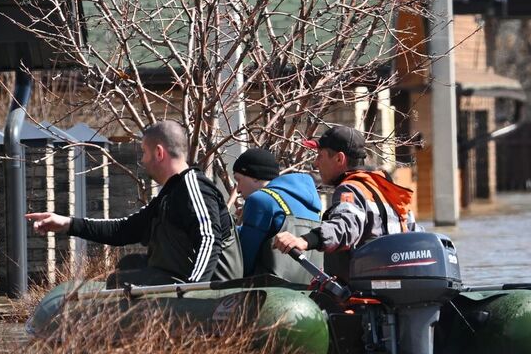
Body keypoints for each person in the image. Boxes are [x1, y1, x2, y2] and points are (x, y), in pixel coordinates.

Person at [26, 120, 240, 285]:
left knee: (121, 279)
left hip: (211, 289)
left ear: (159, 152)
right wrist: (67, 224)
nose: (142, 160)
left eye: (144, 153)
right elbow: (124, 230)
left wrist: (192, 292)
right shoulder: (171, 192)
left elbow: (209, 239)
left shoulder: (194, 187)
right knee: (128, 267)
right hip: (182, 280)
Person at [271, 124, 416, 282]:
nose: (315, 163)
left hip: (362, 297)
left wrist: (305, 240)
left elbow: (346, 226)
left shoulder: (350, 189)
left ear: (339, 159)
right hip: (392, 289)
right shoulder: (387, 191)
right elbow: (413, 234)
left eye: (320, 155)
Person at [229, 146, 324, 284]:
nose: (238, 189)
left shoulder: (260, 200)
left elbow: (242, 262)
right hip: (309, 294)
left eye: (239, 180)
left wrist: (232, 229)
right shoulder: (313, 203)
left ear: (254, 177)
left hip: (269, 295)